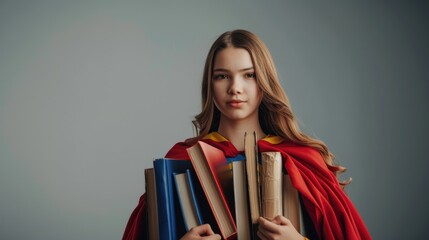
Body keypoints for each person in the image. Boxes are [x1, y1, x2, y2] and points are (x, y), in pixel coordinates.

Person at [123, 29, 371, 240]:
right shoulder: (181, 161)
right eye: (222, 76)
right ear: (210, 85)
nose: (235, 88)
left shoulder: (303, 159)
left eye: (249, 75)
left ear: (264, 82)